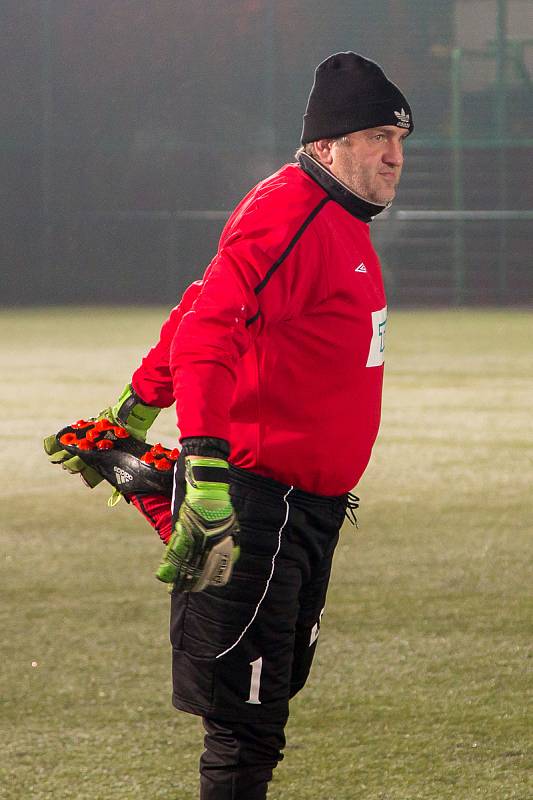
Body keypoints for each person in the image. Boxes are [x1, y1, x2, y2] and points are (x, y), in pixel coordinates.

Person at [45, 52, 413, 799]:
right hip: (260, 504)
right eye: (376, 135)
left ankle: (154, 476)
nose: (394, 156)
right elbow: (211, 326)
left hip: (301, 511)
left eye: (401, 140)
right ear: (324, 146)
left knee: (272, 690)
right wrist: (205, 465)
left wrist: (135, 404)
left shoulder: (335, 214)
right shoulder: (297, 213)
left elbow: (199, 300)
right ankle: (172, 486)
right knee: (244, 729)